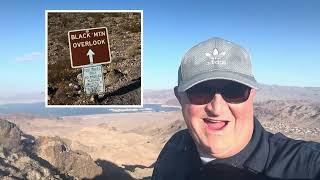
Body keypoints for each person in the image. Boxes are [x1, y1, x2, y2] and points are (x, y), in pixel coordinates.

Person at [151, 37, 320, 180]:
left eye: (234, 91)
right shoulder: (176, 146)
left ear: (252, 94)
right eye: (200, 91)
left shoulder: (305, 164)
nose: (217, 108)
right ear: (179, 97)